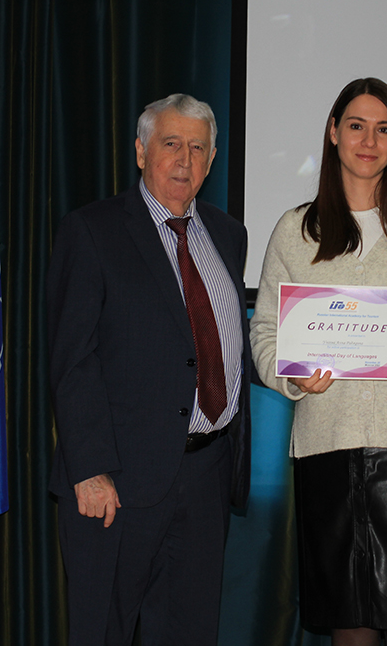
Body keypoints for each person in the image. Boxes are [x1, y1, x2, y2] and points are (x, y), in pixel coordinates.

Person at [250, 77, 387, 646]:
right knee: (349, 628)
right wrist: (293, 375)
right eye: (356, 126)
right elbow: (265, 332)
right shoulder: (297, 229)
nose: (369, 141)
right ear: (333, 133)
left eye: (384, 129)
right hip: (327, 444)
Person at [46, 93, 250, 646]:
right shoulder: (92, 230)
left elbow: (222, 344)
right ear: (141, 151)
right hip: (116, 484)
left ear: (211, 160)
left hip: (206, 479)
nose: (185, 160)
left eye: (198, 148)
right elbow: (72, 359)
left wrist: (299, 362)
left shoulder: (228, 235)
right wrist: (90, 469)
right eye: (171, 144)